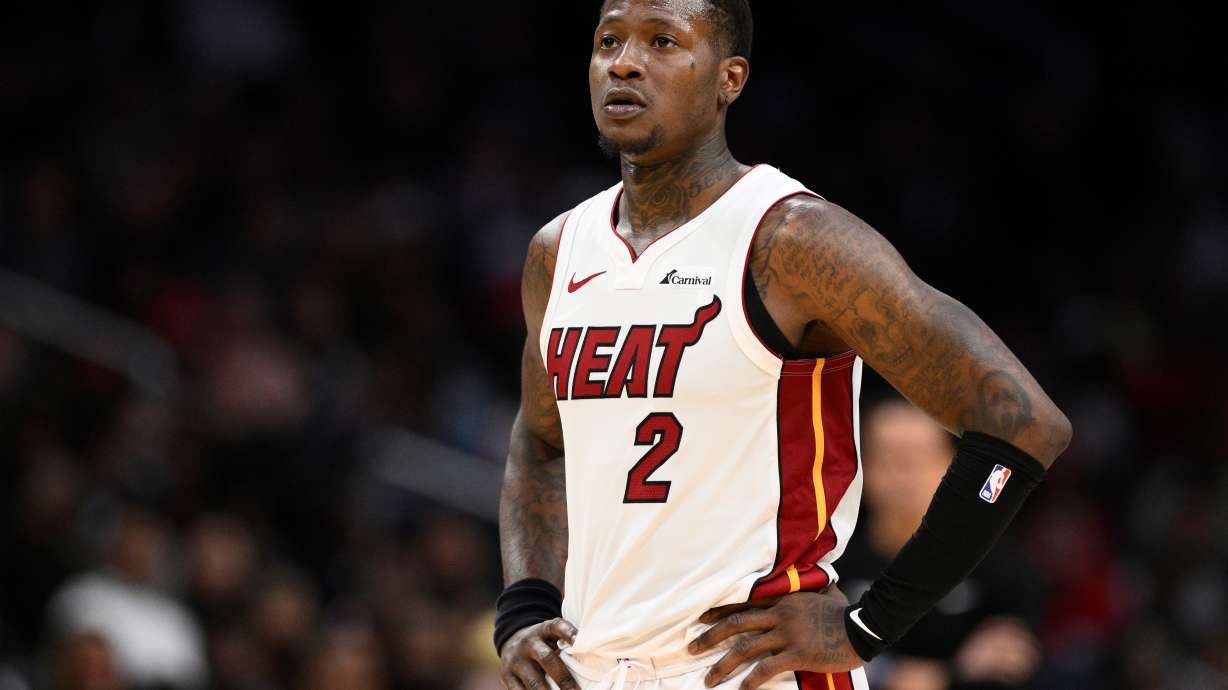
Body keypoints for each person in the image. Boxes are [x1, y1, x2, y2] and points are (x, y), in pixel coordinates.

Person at [496, 3, 1071, 690]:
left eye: (661, 41)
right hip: (595, 669)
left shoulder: (791, 240)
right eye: (608, 41)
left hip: (753, 672)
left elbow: (1022, 422)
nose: (624, 61)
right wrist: (525, 604)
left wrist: (871, 624)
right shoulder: (558, 252)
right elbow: (541, 440)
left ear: (728, 78)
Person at [839, 400, 1044, 689]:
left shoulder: (998, 564)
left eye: (918, 460)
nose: (904, 478)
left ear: (954, 465)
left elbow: (1011, 656)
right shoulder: (832, 559)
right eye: (889, 460)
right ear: (863, 468)